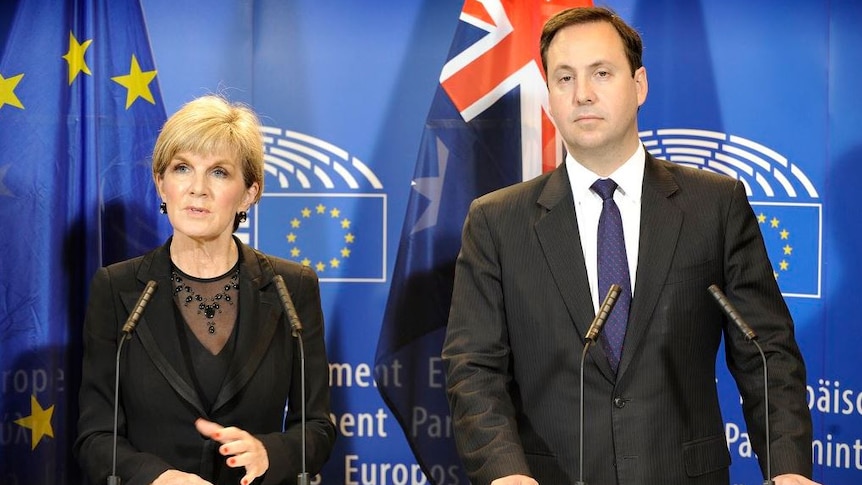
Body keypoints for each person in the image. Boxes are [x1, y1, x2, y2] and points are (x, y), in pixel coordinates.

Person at [442, 7, 819, 485]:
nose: (582, 94)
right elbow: (472, 368)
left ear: (639, 85)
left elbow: (766, 352)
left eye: (601, 73)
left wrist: (787, 469)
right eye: (564, 79)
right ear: (550, 97)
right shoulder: (497, 221)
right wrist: (504, 473)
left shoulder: (715, 204)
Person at [75, 95, 336, 485]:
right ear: (161, 184)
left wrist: (271, 453)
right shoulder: (117, 289)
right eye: (182, 168)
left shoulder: (290, 288)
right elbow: (95, 437)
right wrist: (155, 477)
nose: (198, 189)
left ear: (249, 192)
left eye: (218, 172)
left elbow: (317, 426)